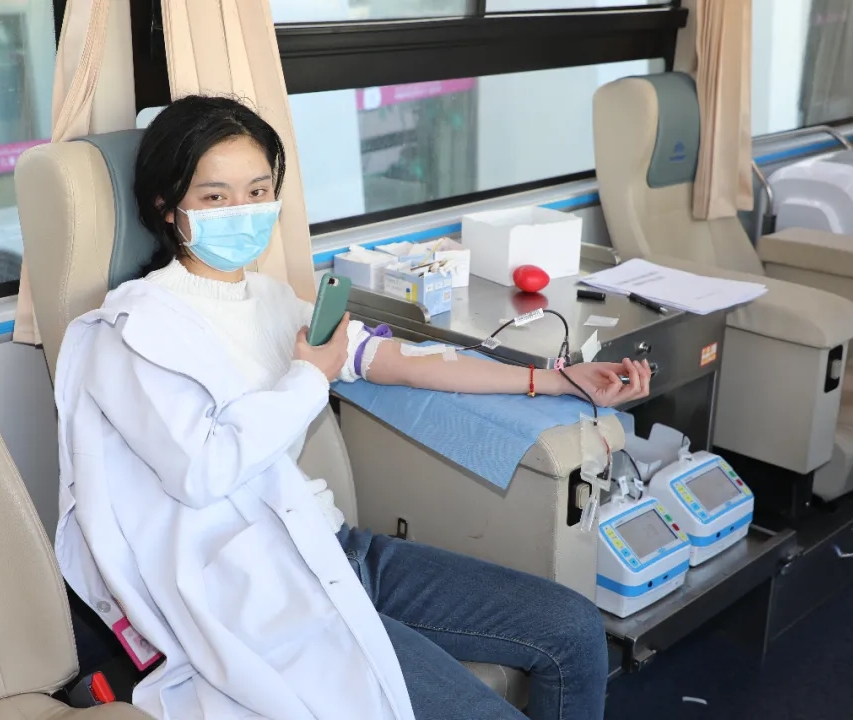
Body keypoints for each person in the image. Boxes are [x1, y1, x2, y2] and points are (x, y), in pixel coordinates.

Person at [54, 95, 651, 720]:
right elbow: (202, 471)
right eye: (214, 197)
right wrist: (308, 378)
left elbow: (397, 360)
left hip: (337, 548)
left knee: (574, 629)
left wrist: (555, 380)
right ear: (165, 205)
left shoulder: (272, 300)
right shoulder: (137, 330)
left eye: (258, 191)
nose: (243, 212)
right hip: (269, 589)